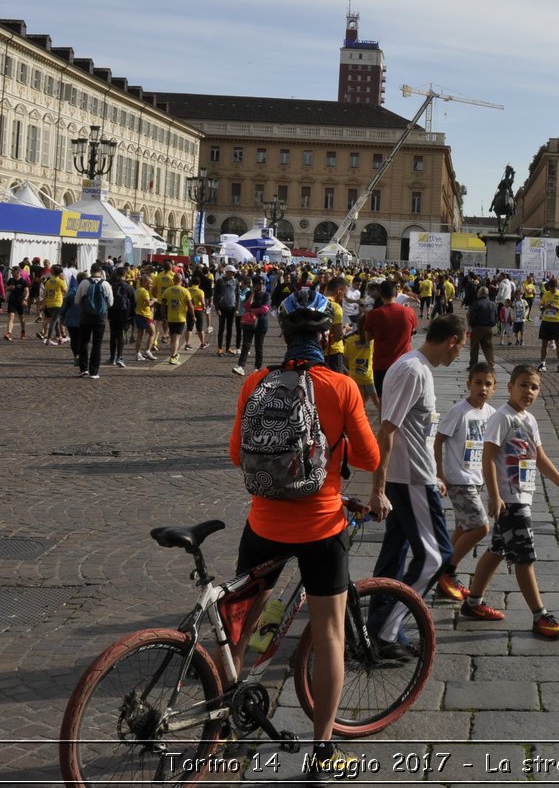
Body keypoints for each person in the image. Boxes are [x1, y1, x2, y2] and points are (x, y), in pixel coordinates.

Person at [228, 285, 381, 780]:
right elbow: (368, 458)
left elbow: (237, 455)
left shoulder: (256, 382)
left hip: (264, 523)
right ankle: (323, 750)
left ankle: (225, 722)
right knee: (331, 636)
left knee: (239, 627)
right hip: (322, 525)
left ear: (283, 332)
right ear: (328, 334)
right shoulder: (341, 387)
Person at [368, 313, 467, 649]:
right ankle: (387, 629)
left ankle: (379, 620)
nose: (457, 357)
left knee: (396, 550)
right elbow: (387, 429)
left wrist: (434, 475)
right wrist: (378, 489)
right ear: (452, 340)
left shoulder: (415, 367)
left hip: (413, 475)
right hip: (409, 478)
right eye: (459, 349)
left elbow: (414, 432)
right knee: (436, 556)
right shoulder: (413, 369)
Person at [460, 364, 559, 636]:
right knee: (525, 555)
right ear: (510, 387)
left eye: (534, 387)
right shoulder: (502, 418)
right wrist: (494, 496)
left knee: (498, 550)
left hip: (522, 495)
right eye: (523, 385)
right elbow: (488, 458)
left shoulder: (529, 420)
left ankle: (472, 603)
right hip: (510, 499)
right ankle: (540, 615)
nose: (528, 391)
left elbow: (539, 457)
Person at [432, 362, 497, 602]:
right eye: (478, 382)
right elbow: (438, 441)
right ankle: (447, 571)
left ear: (494, 388)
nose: (482, 388)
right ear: (469, 384)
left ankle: (442, 568)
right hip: (459, 480)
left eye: (487, 384)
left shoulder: (491, 414)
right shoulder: (459, 412)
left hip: (476, 479)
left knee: (463, 526)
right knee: (480, 527)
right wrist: (440, 473)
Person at [364, 281, 419, 398]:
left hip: (381, 364)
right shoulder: (409, 312)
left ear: (381, 294)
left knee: (383, 402)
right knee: (402, 402)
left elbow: (368, 338)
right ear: (396, 293)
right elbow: (411, 336)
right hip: (404, 363)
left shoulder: (373, 314)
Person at [71, 264, 112, 379]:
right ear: (101, 271)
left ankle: (83, 369)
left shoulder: (84, 283)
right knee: (97, 345)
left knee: (83, 343)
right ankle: (94, 371)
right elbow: (110, 303)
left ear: (91, 271)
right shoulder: (106, 284)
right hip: (100, 319)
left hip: (85, 317)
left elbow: (76, 300)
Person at [233, 276, 271, 375]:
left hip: (261, 324)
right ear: (254, 285)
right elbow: (246, 306)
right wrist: (253, 294)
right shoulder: (249, 293)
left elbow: (264, 309)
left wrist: (251, 310)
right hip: (249, 323)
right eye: (259, 283)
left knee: (259, 346)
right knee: (246, 345)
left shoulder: (266, 295)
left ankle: (257, 368)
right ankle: (240, 366)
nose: (262, 285)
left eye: (263, 283)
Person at [536, 276, 559, 373]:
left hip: (557, 321)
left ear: (556, 287)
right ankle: (542, 363)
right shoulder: (546, 294)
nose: (551, 290)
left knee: (558, 344)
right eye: (550, 288)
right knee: (544, 343)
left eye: (553, 289)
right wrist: (545, 306)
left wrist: (556, 308)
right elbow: (541, 307)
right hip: (546, 321)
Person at [161, 272, 193, 365]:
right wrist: (193, 316)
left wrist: (163, 316)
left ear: (173, 280)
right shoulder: (185, 291)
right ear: (181, 280)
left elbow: (163, 305)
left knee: (172, 337)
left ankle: (174, 353)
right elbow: (190, 306)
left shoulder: (167, 290)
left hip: (170, 317)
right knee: (176, 338)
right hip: (180, 318)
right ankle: (173, 356)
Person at [467, 286, 499, 370]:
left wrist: (471, 325)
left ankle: (473, 365)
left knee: (474, 347)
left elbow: (472, 316)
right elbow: (496, 316)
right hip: (489, 327)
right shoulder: (492, 303)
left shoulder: (476, 303)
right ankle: (491, 363)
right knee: (488, 346)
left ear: (480, 294)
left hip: (477, 327)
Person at [214, 267, 241, 356]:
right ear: (227, 272)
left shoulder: (236, 282)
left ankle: (228, 348)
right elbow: (215, 296)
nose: (234, 274)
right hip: (222, 308)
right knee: (221, 328)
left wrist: (237, 308)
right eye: (232, 272)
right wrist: (217, 309)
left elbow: (237, 295)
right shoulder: (219, 281)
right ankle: (220, 348)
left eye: (234, 273)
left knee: (230, 329)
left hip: (232, 308)